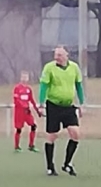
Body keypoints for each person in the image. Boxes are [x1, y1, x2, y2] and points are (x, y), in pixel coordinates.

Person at [38, 45, 84, 177]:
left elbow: (78, 86)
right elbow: (43, 86)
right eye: (55, 55)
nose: (56, 57)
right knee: (52, 136)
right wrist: (41, 104)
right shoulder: (49, 68)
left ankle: (67, 164)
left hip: (68, 106)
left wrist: (81, 103)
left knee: (75, 133)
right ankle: (50, 166)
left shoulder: (74, 67)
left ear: (66, 55)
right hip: (53, 106)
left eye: (59, 55)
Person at [12, 71, 40, 152]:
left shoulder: (28, 89)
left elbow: (31, 100)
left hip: (27, 111)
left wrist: (37, 110)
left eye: (26, 77)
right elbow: (16, 100)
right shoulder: (17, 88)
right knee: (19, 129)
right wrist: (24, 107)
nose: (24, 79)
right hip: (19, 112)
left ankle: (31, 145)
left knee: (33, 126)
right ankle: (17, 147)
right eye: (23, 77)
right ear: (21, 78)